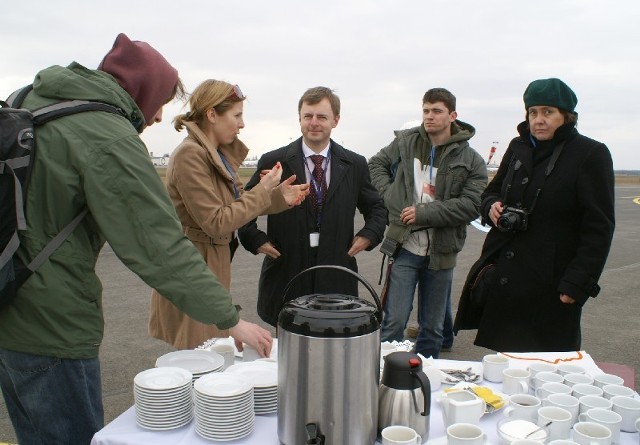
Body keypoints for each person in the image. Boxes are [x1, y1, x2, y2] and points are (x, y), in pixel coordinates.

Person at [0, 34, 272, 444]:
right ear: (141, 91)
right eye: (160, 100)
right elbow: (157, 244)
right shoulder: (106, 134)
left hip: (8, 302)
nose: (160, 116)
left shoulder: (30, 103)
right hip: (51, 326)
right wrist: (230, 318)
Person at [453, 78, 615, 352]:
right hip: (508, 278)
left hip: (552, 285)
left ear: (567, 116)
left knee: (547, 371)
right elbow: (490, 191)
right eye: (533, 112)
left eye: (548, 112)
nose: (539, 120)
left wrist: (576, 284)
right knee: (505, 371)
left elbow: (599, 228)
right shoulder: (518, 147)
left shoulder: (590, 154)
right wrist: (491, 204)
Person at [148, 79, 309, 349]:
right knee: (200, 359)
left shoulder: (214, 154)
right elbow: (217, 221)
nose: (242, 124)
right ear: (212, 114)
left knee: (209, 354)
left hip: (210, 263)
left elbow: (236, 206)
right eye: (236, 115)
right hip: (194, 266)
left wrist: (277, 196)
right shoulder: (191, 155)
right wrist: (264, 189)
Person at [238, 86, 387, 327]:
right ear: (300, 119)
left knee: (334, 343)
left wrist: (369, 235)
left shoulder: (355, 164)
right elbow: (245, 208)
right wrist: (254, 238)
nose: (314, 122)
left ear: (335, 120)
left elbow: (377, 209)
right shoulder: (274, 162)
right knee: (288, 347)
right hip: (287, 270)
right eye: (308, 116)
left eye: (322, 117)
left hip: (336, 272)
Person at [368, 88, 487, 359]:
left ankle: (426, 381)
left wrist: (424, 213)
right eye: (425, 110)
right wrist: (390, 195)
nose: (429, 117)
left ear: (452, 115)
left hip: (442, 252)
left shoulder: (471, 159)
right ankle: (385, 376)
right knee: (394, 321)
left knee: (432, 328)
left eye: (437, 111)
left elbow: (471, 205)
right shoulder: (406, 142)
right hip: (406, 246)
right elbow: (375, 164)